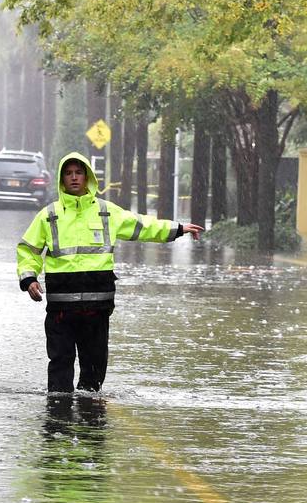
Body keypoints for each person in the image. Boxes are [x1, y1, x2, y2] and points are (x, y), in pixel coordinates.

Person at [17, 152, 203, 392]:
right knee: (59, 371)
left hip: (97, 309)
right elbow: (28, 249)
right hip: (61, 311)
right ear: (62, 179)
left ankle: (90, 422)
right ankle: (58, 421)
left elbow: (143, 225)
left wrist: (177, 228)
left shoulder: (107, 212)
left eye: (79, 172)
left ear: (87, 177)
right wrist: (29, 278)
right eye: (69, 173)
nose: (74, 178)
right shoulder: (49, 215)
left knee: (93, 375)